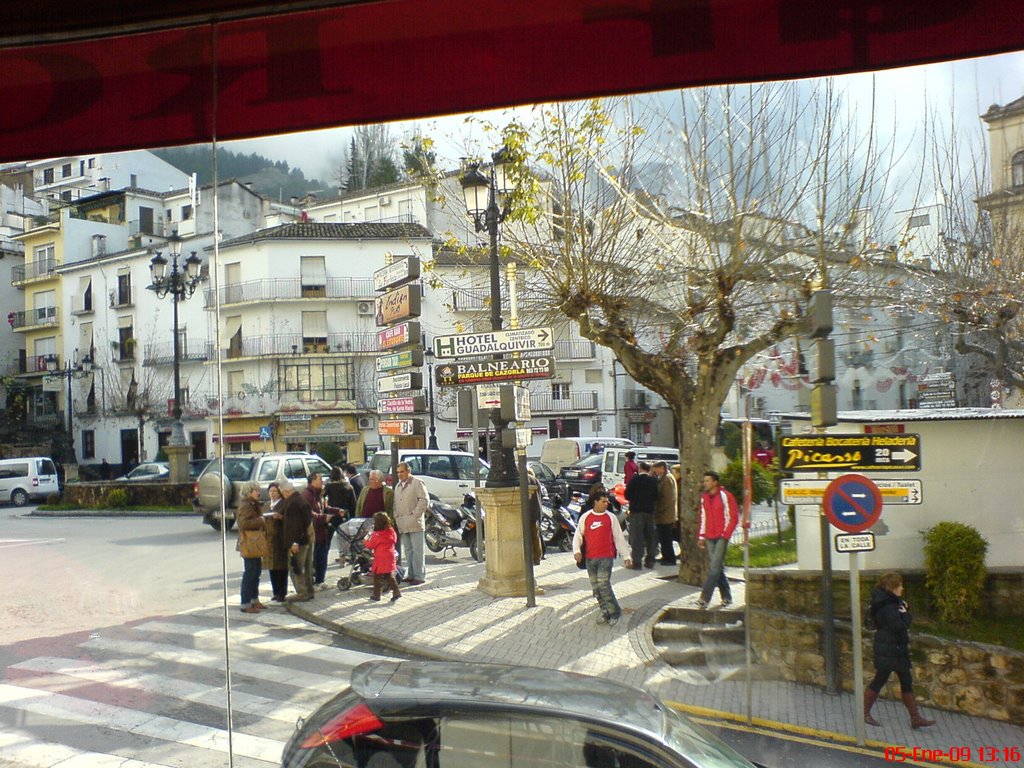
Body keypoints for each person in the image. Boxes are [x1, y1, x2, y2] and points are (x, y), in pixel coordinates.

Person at [864, 572, 936, 729]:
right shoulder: (887, 605)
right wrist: (907, 615)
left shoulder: (890, 602)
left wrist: (903, 610)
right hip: (888, 649)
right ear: (892, 587)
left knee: (906, 681)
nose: (902, 588)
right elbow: (899, 626)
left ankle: (915, 718)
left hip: (896, 649)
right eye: (899, 586)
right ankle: (865, 714)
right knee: (880, 680)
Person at [572, 490, 631, 626]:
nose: (606, 504)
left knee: (604, 585)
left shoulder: (611, 518)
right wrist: (576, 551)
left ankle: (615, 612)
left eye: (607, 501)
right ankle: (605, 611)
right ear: (595, 502)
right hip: (590, 558)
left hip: (606, 557)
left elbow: (618, 537)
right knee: (596, 588)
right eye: (603, 501)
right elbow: (578, 535)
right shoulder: (585, 517)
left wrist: (626, 555)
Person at [696, 470, 739, 609]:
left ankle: (704, 598)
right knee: (718, 568)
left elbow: (733, 516)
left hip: (721, 536)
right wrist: (701, 536)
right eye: (704, 481)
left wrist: (726, 534)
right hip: (709, 536)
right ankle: (727, 596)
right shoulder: (704, 498)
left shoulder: (726, 496)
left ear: (715, 482)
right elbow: (704, 517)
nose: (705, 483)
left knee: (714, 568)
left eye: (708, 480)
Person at [303, 472, 341, 590]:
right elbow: (309, 515)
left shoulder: (319, 494)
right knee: (316, 559)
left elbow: (325, 507)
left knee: (322, 557)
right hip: (314, 532)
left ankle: (320, 581)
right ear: (312, 481)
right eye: (320, 479)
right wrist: (324, 517)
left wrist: (336, 511)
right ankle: (314, 583)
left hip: (322, 531)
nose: (322, 481)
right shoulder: (307, 495)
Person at [393, 461, 428, 585]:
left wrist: (415, 515)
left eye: (402, 471)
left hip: (415, 523)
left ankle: (419, 575)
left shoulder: (417, 483)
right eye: (398, 472)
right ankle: (411, 574)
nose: (400, 474)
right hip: (402, 523)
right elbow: (395, 504)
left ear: (408, 471)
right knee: (408, 550)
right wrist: (396, 516)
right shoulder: (398, 486)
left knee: (418, 550)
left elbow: (424, 500)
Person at [281, 480, 315, 602]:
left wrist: (294, 542)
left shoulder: (292, 504)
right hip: (306, 539)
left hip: (298, 541)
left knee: (296, 567)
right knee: (307, 566)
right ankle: (309, 591)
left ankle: (302, 592)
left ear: (286, 491)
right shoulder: (301, 500)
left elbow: (294, 526)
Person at [237, 481, 267, 614]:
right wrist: (260, 521)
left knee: (256, 572)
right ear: (249, 492)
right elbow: (243, 524)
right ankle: (245, 603)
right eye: (256, 490)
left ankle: (254, 599)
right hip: (249, 543)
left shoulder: (253, 504)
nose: (258, 492)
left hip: (255, 543)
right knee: (250, 573)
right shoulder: (245, 505)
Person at [624, 461, 659, 569]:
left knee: (637, 538)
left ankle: (637, 562)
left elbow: (627, 494)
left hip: (636, 512)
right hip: (650, 512)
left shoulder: (635, 479)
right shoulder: (653, 480)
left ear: (640, 468)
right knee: (651, 537)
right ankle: (650, 561)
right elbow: (657, 496)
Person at [364, 511, 402, 603]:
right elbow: (395, 540)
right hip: (390, 555)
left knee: (377, 577)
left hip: (381, 558)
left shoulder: (377, 535)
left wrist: (365, 540)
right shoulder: (391, 531)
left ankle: (377, 595)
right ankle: (396, 592)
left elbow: (370, 545)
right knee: (389, 575)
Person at [263, 482, 289, 602]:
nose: (272, 494)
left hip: (280, 539)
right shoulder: (266, 505)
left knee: (281, 567)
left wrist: (281, 517)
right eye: (271, 491)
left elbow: (290, 520)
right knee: (271, 567)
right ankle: (275, 592)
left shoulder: (284, 504)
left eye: (275, 491)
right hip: (268, 539)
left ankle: (281, 592)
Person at [652, 461, 678, 566]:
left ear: (662, 468)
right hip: (663, 514)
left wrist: (658, 510)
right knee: (662, 537)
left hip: (666, 514)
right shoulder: (663, 478)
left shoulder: (667, 479)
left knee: (666, 537)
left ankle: (670, 558)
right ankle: (665, 556)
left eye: (656, 468)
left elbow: (667, 498)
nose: (655, 471)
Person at [526, 468, 544, 566]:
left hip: (529, 511)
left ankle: (535, 557)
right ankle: (537, 557)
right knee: (535, 536)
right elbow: (540, 495)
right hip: (535, 510)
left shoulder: (523, 479)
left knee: (531, 536)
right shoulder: (534, 479)